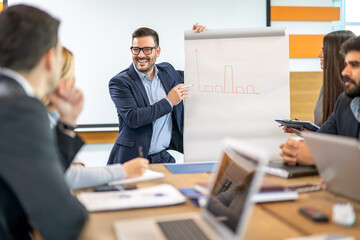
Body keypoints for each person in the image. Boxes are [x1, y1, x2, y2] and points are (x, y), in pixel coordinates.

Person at [0, 5, 88, 240]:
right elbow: (62, 221)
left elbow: (41, 178)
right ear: (50, 58)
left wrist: (67, 123)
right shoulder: (20, 108)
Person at [48, 47, 149, 190]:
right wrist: (123, 171)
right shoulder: (35, 117)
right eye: (71, 72)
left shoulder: (53, 115)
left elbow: (57, 157)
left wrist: (76, 163)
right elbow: (63, 175)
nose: (74, 78)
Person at [108, 24, 206, 164]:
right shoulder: (120, 82)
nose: (141, 55)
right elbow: (133, 118)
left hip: (162, 158)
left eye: (147, 49)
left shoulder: (168, 72)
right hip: (131, 160)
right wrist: (168, 102)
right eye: (136, 50)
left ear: (157, 51)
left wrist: (203, 41)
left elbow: (197, 74)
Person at [280, 36, 360, 165]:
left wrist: (324, 159)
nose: (345, 72)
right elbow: (321, 140)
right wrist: (295, 151)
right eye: (347, 64)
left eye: (355, 65)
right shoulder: (345, 101)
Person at [284, 30, 356, 134]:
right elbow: (327, 133)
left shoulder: (351, 96)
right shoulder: (327, 87)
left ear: (336, 54)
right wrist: (304, 131)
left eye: (324, 50)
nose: (319, 55)